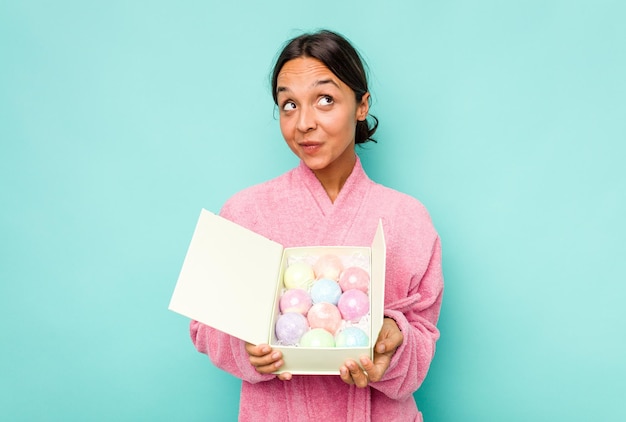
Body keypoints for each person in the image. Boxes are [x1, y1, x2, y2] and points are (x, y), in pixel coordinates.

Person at [190, 29, 443, 422]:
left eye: (325, 99)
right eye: (289, 104)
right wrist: (248, 349)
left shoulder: (407, 218)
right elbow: (204, 328)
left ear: (361, 105)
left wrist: (394, 342)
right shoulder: (244, 212)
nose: (304, 122)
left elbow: (422, 336)